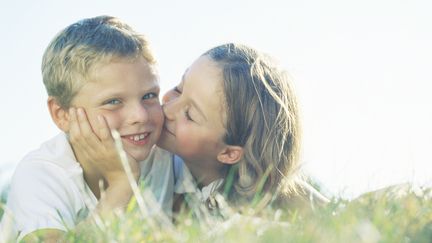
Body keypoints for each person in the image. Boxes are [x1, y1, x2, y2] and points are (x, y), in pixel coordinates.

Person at [69, 43, 328, 219]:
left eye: (189, 115)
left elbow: (335, 215)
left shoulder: (277, 199)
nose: (167, 107)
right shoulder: (151, 157)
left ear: (229, 153)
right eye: (180, 88)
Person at [0, 15, 175, 242]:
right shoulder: (42, 174)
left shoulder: (162, 153)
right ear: (61, 114)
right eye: (113, 101)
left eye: (149, 96)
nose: (140, 116)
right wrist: (121, 184)